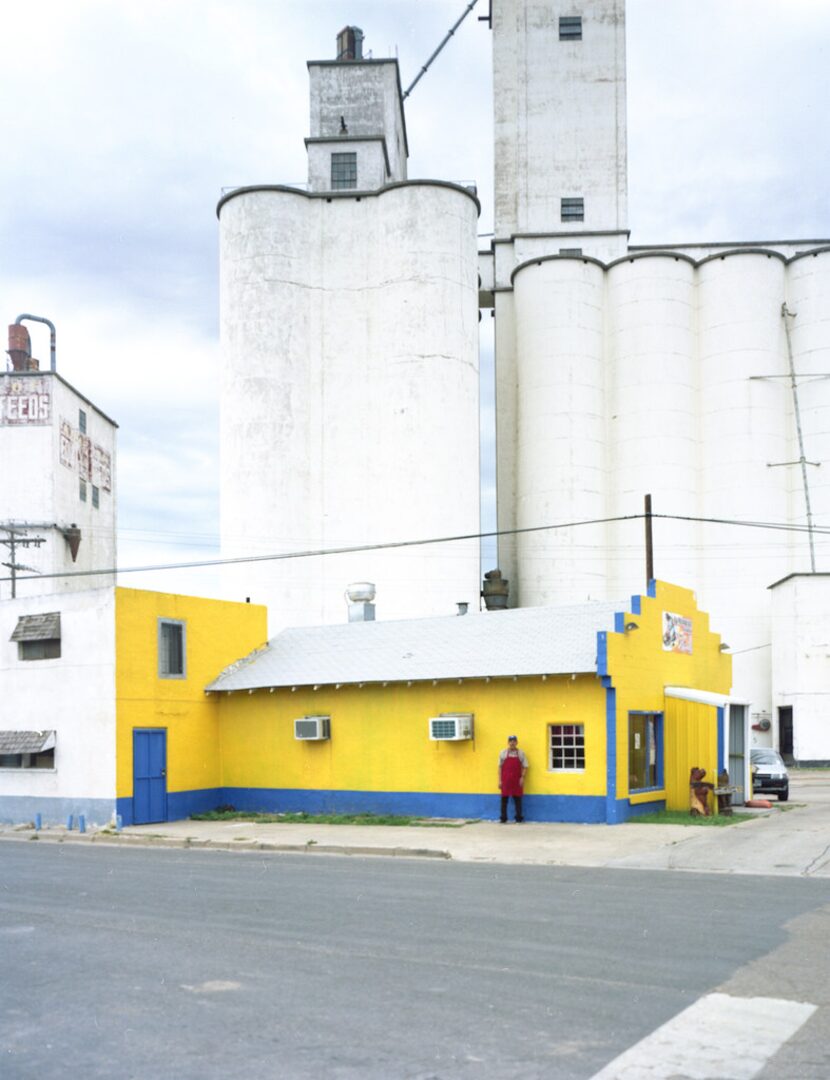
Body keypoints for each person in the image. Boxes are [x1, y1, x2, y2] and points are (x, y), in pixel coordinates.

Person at [498, 735, 528, 823]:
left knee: (518, 799)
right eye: (510, 741)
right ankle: (503, 818)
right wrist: (500, 780)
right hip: (506, 780)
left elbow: (525, 766)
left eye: (514, 741)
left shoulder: (521, 753)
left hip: (516, 780)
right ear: (508, 742)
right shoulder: (503, 753)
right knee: (504, 800)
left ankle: (518, 818)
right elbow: (499, 767)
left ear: (516, 742)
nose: (512, 743)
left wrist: (522, 777)